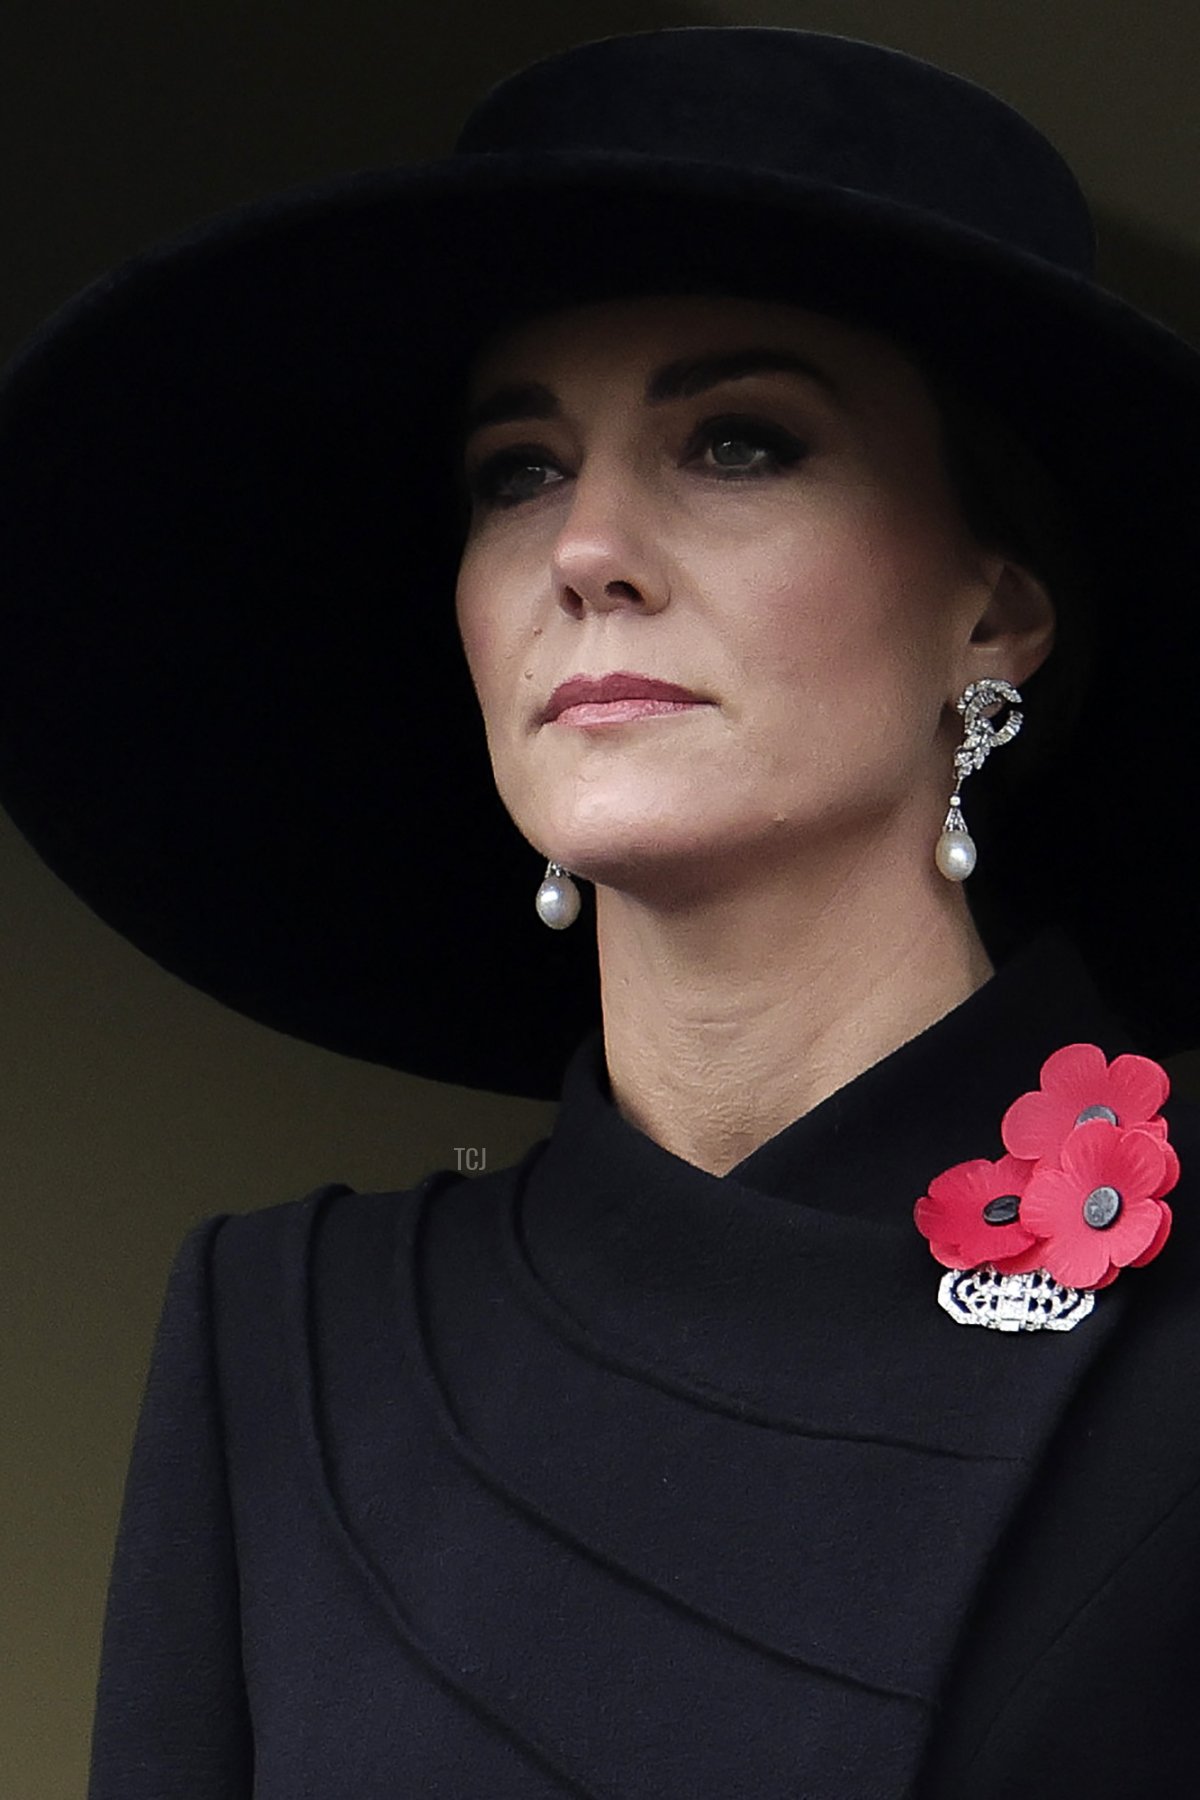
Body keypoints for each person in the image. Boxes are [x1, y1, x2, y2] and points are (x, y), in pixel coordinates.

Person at [1, 24, 1198, 1799]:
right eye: (517, 471)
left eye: (738, 440)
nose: (588, 546)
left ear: (994, 611)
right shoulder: (289, 1337)